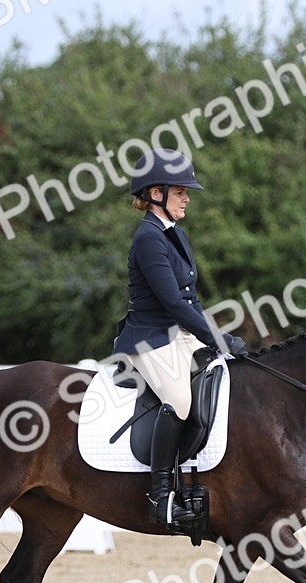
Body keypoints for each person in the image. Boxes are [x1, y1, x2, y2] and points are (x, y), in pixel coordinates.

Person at [111, 149, 247, 526]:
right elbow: (172, 302)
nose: (188, 197)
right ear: (156, 193)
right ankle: (160, 497)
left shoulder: (176, 234)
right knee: (180, 401)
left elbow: (191, 298)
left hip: (180, 334)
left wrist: (216, 341)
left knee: (229, 374)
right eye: (181, 191)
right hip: (150, 339)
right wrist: (218, 337)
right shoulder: (148, 239)